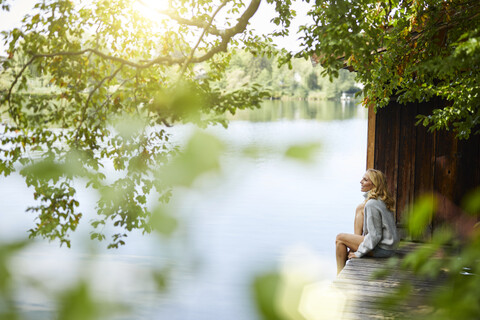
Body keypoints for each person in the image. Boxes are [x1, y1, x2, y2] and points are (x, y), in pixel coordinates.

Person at [335, 169, 399, 275]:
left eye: (365, 180)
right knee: (360, 208)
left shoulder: (372, 204)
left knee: (339, 238)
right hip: (389, 247)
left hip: (383, 249)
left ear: (374, 185)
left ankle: (339, 275)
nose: (361, 181)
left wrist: (359, 252)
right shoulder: (380, 200)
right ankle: (354, 245)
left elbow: (376, 235)